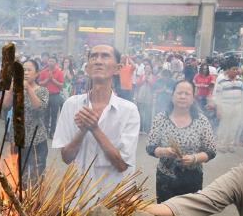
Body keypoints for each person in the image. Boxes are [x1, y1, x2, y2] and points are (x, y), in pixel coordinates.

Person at [52, 44, 140, 191]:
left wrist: (95, 129)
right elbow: (66, 158)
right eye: (94, 56)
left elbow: (122, 164)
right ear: (87, 68)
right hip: (78, 197)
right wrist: (82, 131)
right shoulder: (71, 105)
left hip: (112, 198)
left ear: (118, 68)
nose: (98, 61)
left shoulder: (129, 111)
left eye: (105, 56)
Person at [146, 80, 216, 203]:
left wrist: (194, 158)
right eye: (179, 93)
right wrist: (164, 151)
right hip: (166, 179)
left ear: (193, 98)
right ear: (172, 96)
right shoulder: (161, 118)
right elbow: (150, 147)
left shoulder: (201, 120)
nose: (183, 96)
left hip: (192, 178)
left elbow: (211, 150)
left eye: (187, 93)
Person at [4, 59, 49, 186]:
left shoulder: (42, 91)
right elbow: (5, 105)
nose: (26, 73)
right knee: (19, 176)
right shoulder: (16, 90)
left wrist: (28, 89)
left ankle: (36, 203)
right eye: (23, 70)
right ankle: (20, 202)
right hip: (18, 140)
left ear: (37, 74)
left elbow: (39, 108)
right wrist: (11, 89)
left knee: (36, 177)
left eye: (29, 70)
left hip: (37, 140)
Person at [213, 57, 243, 153]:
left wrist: (242, 107)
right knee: (224, 127)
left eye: (236, 69)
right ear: (228, 70)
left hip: (237, 107)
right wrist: (218, 109)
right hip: (225, 106)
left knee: (234, 127)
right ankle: (221, 145)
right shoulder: (221, 80)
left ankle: (230, 144)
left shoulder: (240, 80)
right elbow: (217, 95)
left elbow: (242, 94)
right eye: (233, 69)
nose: (235, 71)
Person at [39, 55, 64, 138]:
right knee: (45, 114)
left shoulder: (59, 72)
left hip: (55, 96)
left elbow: (61, 85)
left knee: (54, 115)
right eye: (49, 61)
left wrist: (52, 79)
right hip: (45, 95)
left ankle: (52, 132)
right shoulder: (43, 71)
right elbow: (40, 83)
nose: (50, 62)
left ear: (56, 63)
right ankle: (45, 131)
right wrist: (47, 79)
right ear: (47, 62)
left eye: (52, 61)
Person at [135, 61, 157, 134]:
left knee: (148, 114)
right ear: (144, 69)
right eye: (146, 68)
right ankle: (141, 129)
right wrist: (144, 80)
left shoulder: (154, 77)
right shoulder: (141, 76)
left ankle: (147, 129)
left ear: (151, 69)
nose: (147, 69)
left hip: (149, 98)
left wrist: (149, 80)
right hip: (140, 97)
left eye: (149, 68)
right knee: (140, 114)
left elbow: (154, 86)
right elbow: (137, 84)